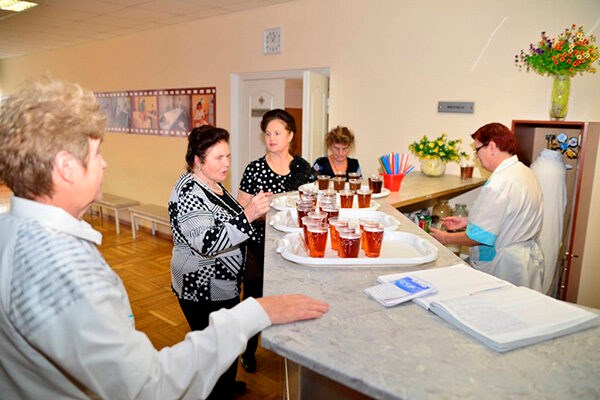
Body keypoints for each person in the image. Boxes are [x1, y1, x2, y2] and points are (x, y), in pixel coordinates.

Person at [0, 78, 329, 399]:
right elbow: (147, 385)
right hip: (201, 285)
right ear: (66, 167)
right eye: (96, 153)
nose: (105, 162)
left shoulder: (11, 230)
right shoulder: (65, 272)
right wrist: (258, 311)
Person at [169, 124, 273, 398]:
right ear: (197, 161)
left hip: (222, 283)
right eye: (219, 158)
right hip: (201, 286)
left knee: (224, 344)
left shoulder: (213, 184)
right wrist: (249, 215)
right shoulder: (190, 192)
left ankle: (225, 385)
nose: (226, 163)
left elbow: (231, 219)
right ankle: (216, 392)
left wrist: (257, 211)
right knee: (214, 350)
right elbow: (206, 243)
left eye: (227, 156)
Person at [237, 108, 312, 373]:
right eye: (268, 133)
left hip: (294, 243)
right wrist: (259, 210)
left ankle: (292, 349)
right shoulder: (255, 168)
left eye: (277, 132)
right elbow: (242, 207)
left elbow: (311, 204)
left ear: (290, 135)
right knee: (254, 299)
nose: (271, 137)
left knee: (291, 296)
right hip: (259, 243)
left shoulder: (303, 167)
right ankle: (248, 351)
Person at [429, 122, 544, 291]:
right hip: (524, 259)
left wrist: (445, 238)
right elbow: (511, 214)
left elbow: (479, 237)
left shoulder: (499, 182)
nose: (476, 156)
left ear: (491, 146)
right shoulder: (524, 172)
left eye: (477, 150)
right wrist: (468, 221)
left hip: (504, 266)